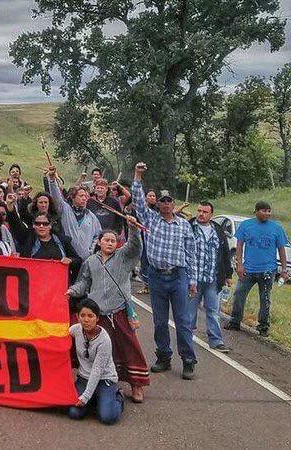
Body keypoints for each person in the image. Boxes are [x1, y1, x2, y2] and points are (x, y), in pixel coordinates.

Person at [67, 218, 149, 403]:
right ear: (99, 242)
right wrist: (72, 291)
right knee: (99, 350)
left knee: (130, 346)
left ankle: (137, 385)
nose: (110, 243)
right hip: (98, 314)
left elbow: (136, 246)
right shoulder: (90, 261)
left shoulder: (123, 256)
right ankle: (102, 383)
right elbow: (83, 283)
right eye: (107, 240)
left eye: (113, 240)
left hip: (119, 310)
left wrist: (133, 227)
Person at [132, 162, 198, 380]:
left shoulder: (184, 225)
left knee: (182, 321)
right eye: (162, 201)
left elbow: (191, 254)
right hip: (157, 277)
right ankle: (163, 357)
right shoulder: (151, 220)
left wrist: (192, 280)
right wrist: (138, 176)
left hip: (179, 276)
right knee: (160, 321)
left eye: (169, 201)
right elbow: (139, 202)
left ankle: (188, 360)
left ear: (174, 204)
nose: (166, 204)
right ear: (158, 204)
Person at [226, 201, 289, 337]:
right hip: (248, 269)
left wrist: (284, 270)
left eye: (269, 211)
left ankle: (263, 326)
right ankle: (235, 321)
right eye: (264, 211)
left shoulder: (276, 228)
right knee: (239, 295)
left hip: (268, 270)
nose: (267, 213)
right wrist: (239, 265)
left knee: (265, 299)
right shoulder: (246, 225)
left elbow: (282, 250)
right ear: (256, 211)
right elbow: (240, 246)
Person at [67, 299, 123, 425]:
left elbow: (97, 370)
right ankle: (95, 399)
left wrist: (85, 397)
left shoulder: (104, 340)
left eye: (90, 316)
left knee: (107, 417)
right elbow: (59, 337)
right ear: (77, 317)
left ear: (97, 318)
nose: (86, 320)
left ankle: (118, 396)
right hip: (84, 379)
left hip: (104, 379)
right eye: (82, 316)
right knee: (74, 413)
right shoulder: (75, 330)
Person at [189, 202, 234, 351]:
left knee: (213, 310)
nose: (201, 214)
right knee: (190, 310)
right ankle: (186, 337)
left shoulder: (217, 230)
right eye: (199, 210)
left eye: (205, 212)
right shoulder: (189, 226)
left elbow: (225, 253)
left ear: (211, 214)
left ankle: (216, 340)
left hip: (213, 278)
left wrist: (228, 274)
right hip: (193, 279)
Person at [47, 166, 101, 259]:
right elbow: (56, 198)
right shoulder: (65, 210)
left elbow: (97, 235)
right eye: (81, 196)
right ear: (73, 197)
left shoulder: (91, 217)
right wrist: (52, 180)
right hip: (66, 258)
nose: (84, 198)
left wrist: (91, 251)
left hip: (85, 259)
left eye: (85, 196)